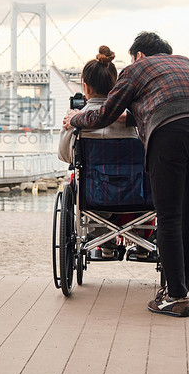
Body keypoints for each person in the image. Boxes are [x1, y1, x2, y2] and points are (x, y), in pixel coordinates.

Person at [63, 32, 189, 317]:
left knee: (170, 216)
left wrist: (75, 119)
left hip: (170, 132)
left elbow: (103, 116)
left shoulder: (134, 69)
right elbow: (177, 101)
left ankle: (175, 296)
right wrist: (134, 118)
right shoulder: (185, 63)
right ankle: (177, 291)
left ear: (138, 55)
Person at [58, 46, 138, 258]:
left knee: (80, 182)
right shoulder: (132, 118)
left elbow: (66, 156)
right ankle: (142, 240)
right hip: (136, 196)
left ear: (85, 87)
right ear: (115, 87)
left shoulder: (75, 118)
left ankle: (106, 243)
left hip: (94, 198)